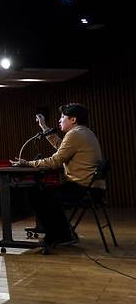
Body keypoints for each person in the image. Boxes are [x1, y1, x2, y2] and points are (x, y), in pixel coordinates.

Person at [10, 104, 103, 247]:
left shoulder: (75, 134)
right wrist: (44, 127)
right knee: (45, 194)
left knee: (37, 196)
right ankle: (64, 233)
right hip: (93, 188)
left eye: (62, 117)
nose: (59, 120)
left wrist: (27, 163)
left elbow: (55, 161)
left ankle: (61, 235)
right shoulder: (84, 132)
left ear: (73, 119)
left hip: (84, 189)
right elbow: (62, 147)